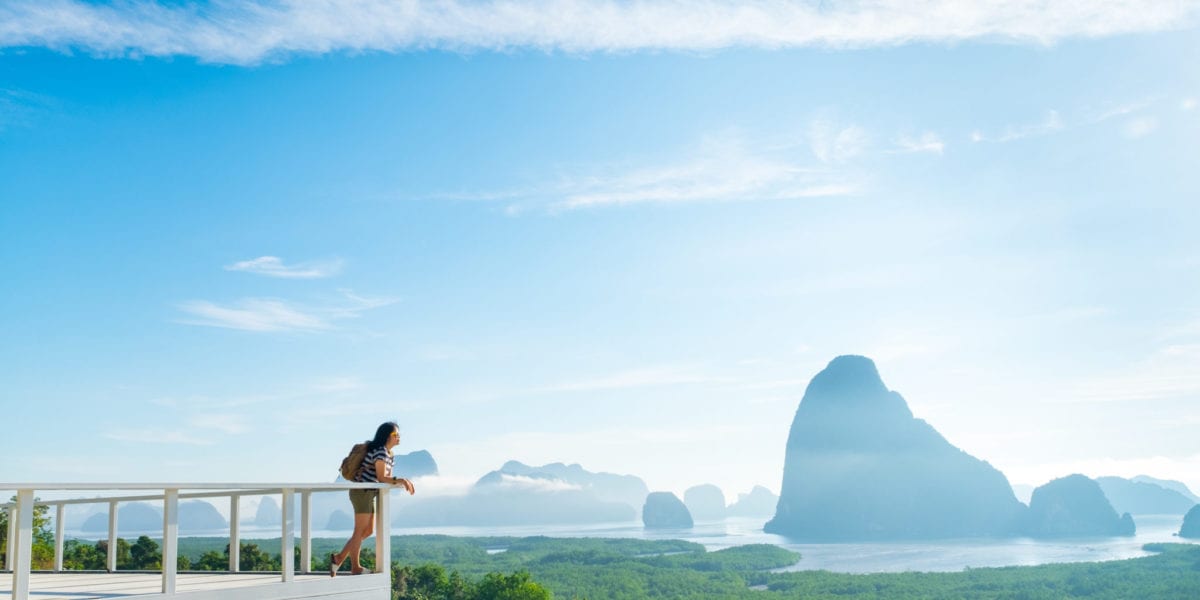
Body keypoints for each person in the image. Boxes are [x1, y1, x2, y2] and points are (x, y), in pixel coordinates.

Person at [331, 421, 415, 576]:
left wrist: (402, 480)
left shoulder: (388, 454)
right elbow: (382, 477)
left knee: (368, 530)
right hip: (362, 492)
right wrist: (402, 480)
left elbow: (385, 477)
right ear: (387, 436)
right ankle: (355, 567)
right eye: (395, 434)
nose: (399, 437)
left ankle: (339, 557)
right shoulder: (381, 452)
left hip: (369, 492)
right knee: (359, 531)